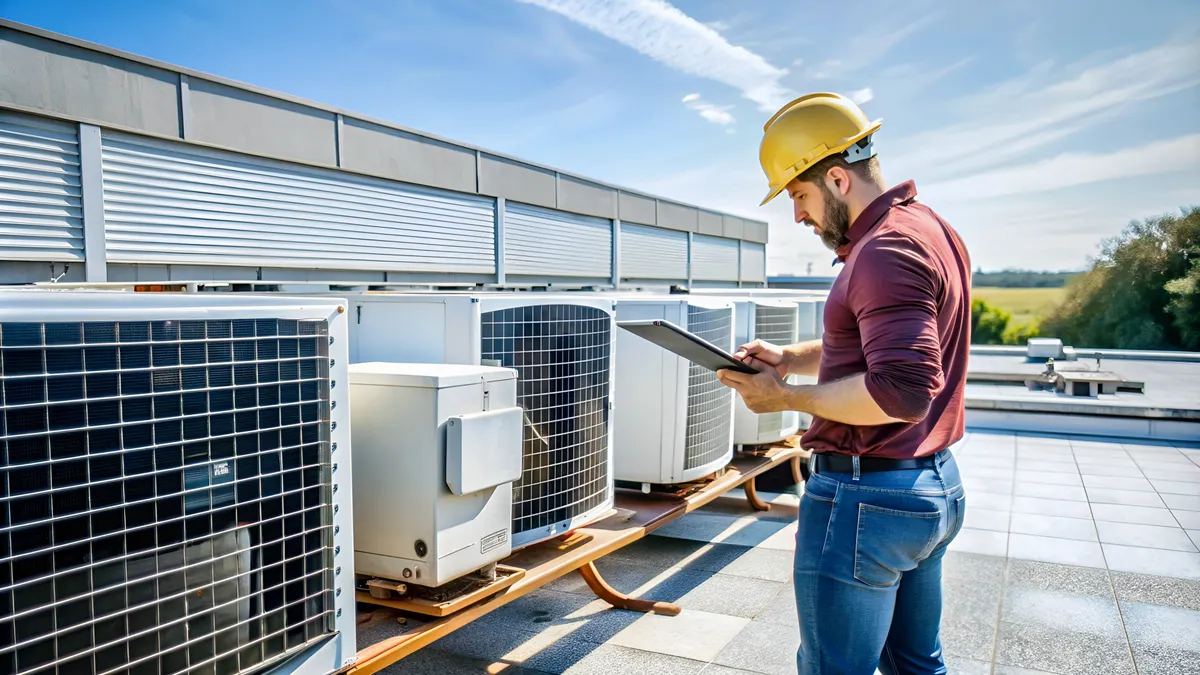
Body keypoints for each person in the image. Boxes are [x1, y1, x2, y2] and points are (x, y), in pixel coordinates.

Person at [716, 92, 972, 675]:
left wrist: (783, 398)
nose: (798, 216)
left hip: (869, 500)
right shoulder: (931, 229)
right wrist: (789, 358)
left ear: (836, 178)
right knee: (915, 666)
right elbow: (871, 349)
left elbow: (902, 393)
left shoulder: (885, 251)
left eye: (800, 196)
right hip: (928, 486)